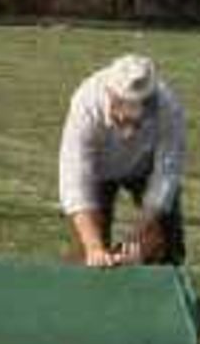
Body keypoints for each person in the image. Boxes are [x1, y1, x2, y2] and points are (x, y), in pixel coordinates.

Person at [58, 52, 187, 267]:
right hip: (97, 170)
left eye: (136, 120)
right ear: (110, 95)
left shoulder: (169, 108)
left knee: (165, 245)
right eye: (121, 116)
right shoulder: (85, 102)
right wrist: (94, 247)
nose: (127, 128)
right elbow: (74, 178)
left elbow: (166, 173)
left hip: (145, 168)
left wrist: (143, 229)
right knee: (87, 253)